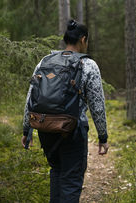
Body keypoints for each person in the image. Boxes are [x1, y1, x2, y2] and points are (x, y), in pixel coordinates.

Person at [21, 19, 109, 203]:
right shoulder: (88, 65)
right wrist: (103, 137)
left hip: (45, 129)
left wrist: (26, 130)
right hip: (72, 131)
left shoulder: (44, 61)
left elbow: (31, 97)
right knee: (71, 180)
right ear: (83, 39)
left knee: (57, 173)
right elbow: (97, 104)